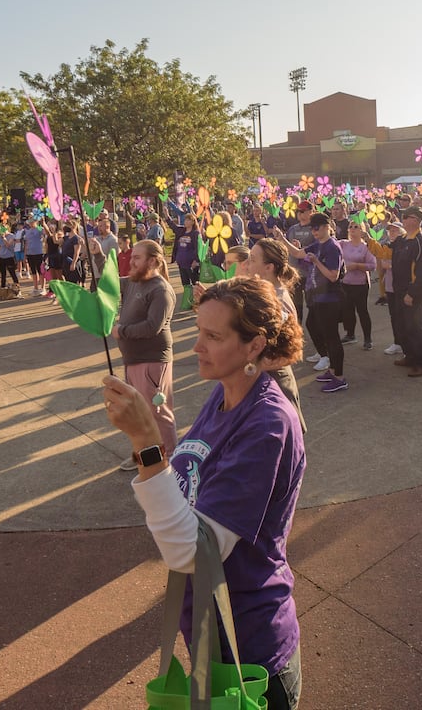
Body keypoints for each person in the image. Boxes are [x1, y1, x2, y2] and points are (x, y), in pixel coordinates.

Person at [101, 276, 306, 709]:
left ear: (255, 345)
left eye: (213, 336)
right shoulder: (224, 394)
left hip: (250, 653)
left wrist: (144, 439)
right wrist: (152, 452)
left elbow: (191, 552)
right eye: (198, 332)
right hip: (209, 633)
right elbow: (181, 485)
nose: (197, 347)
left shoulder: (267, 423)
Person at [110, 238, 176, 472]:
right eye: (132, 256)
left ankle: (169, 459)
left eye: (137, 257)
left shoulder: (161, 290)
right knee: (138, 413)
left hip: (152, 362)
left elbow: (152, 327)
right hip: (132, 361)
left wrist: (121, 331)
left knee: (158, 413)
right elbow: (107, 285)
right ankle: (142, 455)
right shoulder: (133, 282)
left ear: (154, 261)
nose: (132, 261)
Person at [240, 237, 308, 431]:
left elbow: (287, 353)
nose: (246, 264)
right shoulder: (265, 291)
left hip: (274, 383)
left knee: (283, 444)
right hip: (263, 381)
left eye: (252, 259)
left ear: (269, 267)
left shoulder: (278, 300)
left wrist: (251, 368)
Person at [293, 213, 347, 392]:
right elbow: (298, 253)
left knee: (332, 336)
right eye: (312, 228)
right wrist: (280, 239)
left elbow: (333, 275)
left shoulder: (332, 247)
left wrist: (316, 261)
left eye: (317, 227)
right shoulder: (318, 244)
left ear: (326, 227)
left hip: (330, 297)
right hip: (318, 296)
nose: (314, 231)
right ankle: (331, 369)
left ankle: (339, 377)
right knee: (313, 326)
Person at [389, 206, 422, 377]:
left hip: (411, 293)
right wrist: (369, 240)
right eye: (403, 216)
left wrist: (412, 294)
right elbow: (387, 252)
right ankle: (409, 356)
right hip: (398, 290)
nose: (404, 219)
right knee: (402, 327)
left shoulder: (421, 243)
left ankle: (421, 364)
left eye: (407, 216)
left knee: (414, 328)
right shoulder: (403, 239)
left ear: (416, 220)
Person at [337, 221, 377, 350]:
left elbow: (373, 265)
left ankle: (368, 339)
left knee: (362, 311)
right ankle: (350, 334)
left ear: (362, 230)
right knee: (348, 310)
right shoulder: (343, 244)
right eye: (350, 227)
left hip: (360, 284)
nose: (352, 229)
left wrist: (357, 266)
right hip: (345, 283)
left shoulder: (366, 247)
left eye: (356, 227)